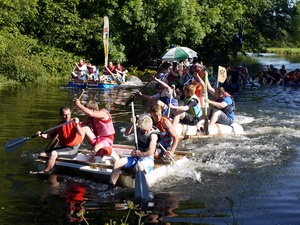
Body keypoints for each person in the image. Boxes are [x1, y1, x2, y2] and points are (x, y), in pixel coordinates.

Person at [105, 115, 160, 191]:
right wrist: (132, 123)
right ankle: (111, 186)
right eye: (143, 130)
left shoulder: (153, 135)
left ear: (150, 127)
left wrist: (141, 154)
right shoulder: (137, 128)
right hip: (136, 156)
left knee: (138, 166)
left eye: (147, 130)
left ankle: (145, 189)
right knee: (118, 163)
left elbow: (151, 152)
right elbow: (127, 133)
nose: (145, 132)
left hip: (147, 158)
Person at [36, 106, 83, 174]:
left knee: (53, 153)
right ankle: (51, 164)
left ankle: (45, 171)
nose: (67, 117)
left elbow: (80, 133)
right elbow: (49, 136)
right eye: (65, 115)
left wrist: (77, 124)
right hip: (63, 148)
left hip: (72, 149)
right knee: (42, 154)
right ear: (61, 115)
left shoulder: (74, 123)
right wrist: (41, 134)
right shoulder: (59, 125)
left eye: (69, 114)